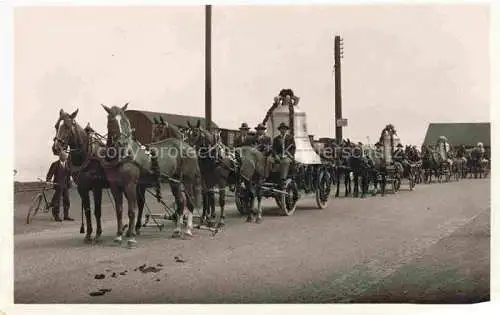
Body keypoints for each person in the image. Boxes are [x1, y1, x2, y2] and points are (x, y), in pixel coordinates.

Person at [46, 151, 73, 222]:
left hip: (66, 185)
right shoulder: (55, 164)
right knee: (57, 201)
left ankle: (66, 216)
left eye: (66, 156)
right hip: (58, 185)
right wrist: (48, 180)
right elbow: (50, 173)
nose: (66, 158)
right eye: (64, 156)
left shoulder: (68, 164)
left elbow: (70, 173)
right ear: (60, 157)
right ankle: (56, 216)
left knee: (67, 200)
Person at [271, 122, 296, 188]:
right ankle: (269, 178)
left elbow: (293, 148)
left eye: (284, 129)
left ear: (286, 130)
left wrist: (290, 154)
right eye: (282, 129)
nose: (283, 130)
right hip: (279, 156)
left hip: (287, 156)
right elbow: (273, 149)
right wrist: (275, 155)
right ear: (279, 130)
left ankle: (283, 179)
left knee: (285, 162)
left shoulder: (290, 138)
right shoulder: (276, 139)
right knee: (269, 161)